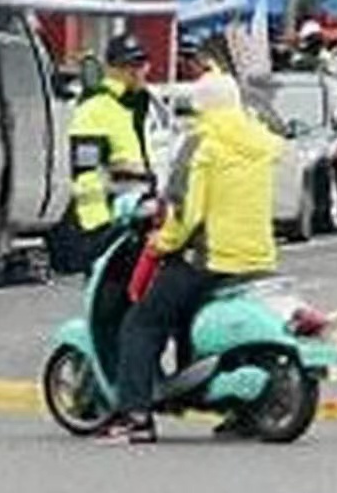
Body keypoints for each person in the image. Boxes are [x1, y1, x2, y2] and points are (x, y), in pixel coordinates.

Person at [107, 70, 277, 444]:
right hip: (259, 258)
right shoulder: (261, 141)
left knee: (142, 322)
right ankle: (240, 411)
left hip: (210, 259)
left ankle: (135, 415)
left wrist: (160, 243)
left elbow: (185, 211)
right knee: (193, 320)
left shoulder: (201, 143)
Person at [57, 33, 158, 276]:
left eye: (141, 64)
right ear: (112, 69)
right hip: (107, 228)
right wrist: (98, 229)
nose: (138, 71)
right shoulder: (96, 109)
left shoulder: (134, 104)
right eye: (129, 66)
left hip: (134, 222)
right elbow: (85, 173)